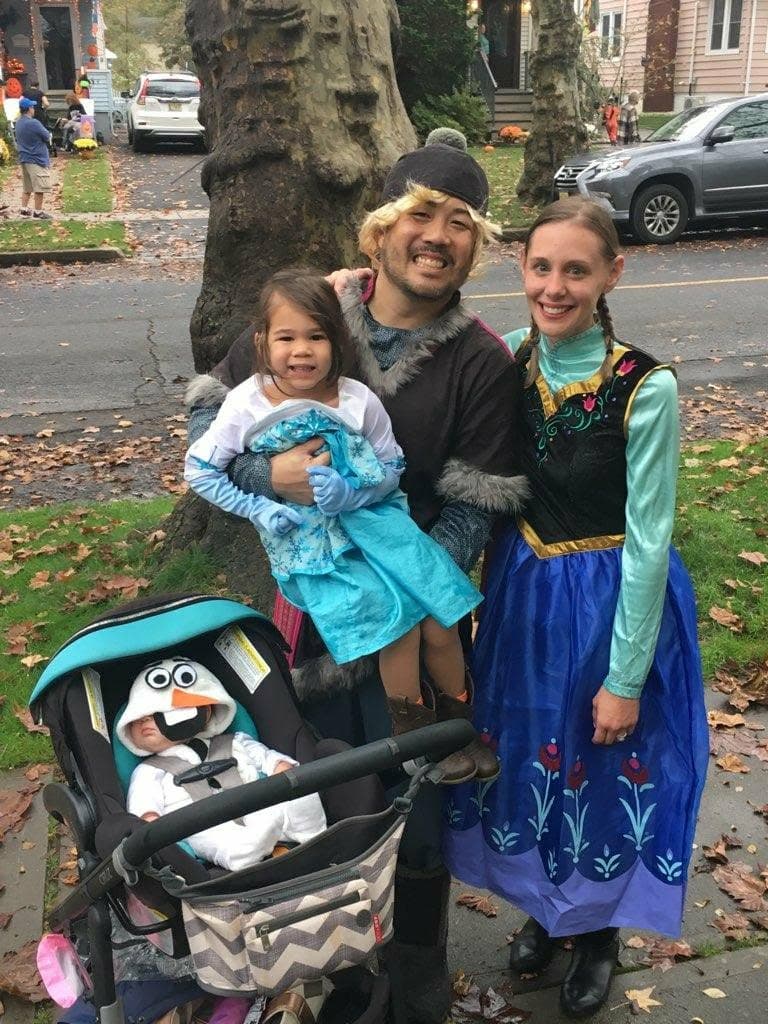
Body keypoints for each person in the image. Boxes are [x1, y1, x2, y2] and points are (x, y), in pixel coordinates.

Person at [185, 136, 527, 1024]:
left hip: (411, 614)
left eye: (459, 223)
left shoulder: (480, 360)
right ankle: (336, 969)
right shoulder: (309, 310)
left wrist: (402, 599)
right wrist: (272, 480)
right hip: (308, 615)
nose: (437, 236)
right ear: (381, 228)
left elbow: (470, 506)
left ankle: (415, 977)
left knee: (415, 817)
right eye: (420, 213)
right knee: (323, 796)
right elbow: (204, 421)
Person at [444, 196, 708, 1018]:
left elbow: (650, 535)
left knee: (600, 762)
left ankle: (595, 932)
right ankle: (544, 910)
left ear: (611, 275)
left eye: (576, 270)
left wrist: (626, 674)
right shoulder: (507, 359)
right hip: (523, 600)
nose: (554, 287)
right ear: (521, 271)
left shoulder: (644, 387)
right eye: (540, 268)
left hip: (609, 602)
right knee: (532, 756)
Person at [186, 269, 485, 785]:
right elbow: (200, 470)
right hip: (319, 550)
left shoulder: (356, 400)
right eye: (286, 337)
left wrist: (355, 491)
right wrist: (258, 505)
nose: (301, 351)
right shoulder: (246, 403)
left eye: (316, 336)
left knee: (442, 620)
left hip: (382, 527)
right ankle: (415, 740)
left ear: (338, 341)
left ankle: (460, 727)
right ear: (262, 342)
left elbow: (392, 468)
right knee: (400, 630)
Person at [117, 658, 327, 871]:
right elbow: (144, 808)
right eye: (141, 718)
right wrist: (150, 820)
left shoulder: (236, 740)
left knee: (300, 791)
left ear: (208, 709)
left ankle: (311, 832)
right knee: (217, 838)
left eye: (153, 716)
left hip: (257, 802)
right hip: (200, 824)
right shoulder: (149, 771)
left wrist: (280, 766)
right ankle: (246, 851)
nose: (144, 722)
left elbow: (265, 756)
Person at [14, 97, 52, 220]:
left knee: (27, 187)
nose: (33, 109)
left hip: (24, 158)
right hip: (36, 158)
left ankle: (24, 210)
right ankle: (38, 212)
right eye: (32, 107)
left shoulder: (18, 122)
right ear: (29, 109)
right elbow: (46, 136)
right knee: (39, 188)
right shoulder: (33, 123)